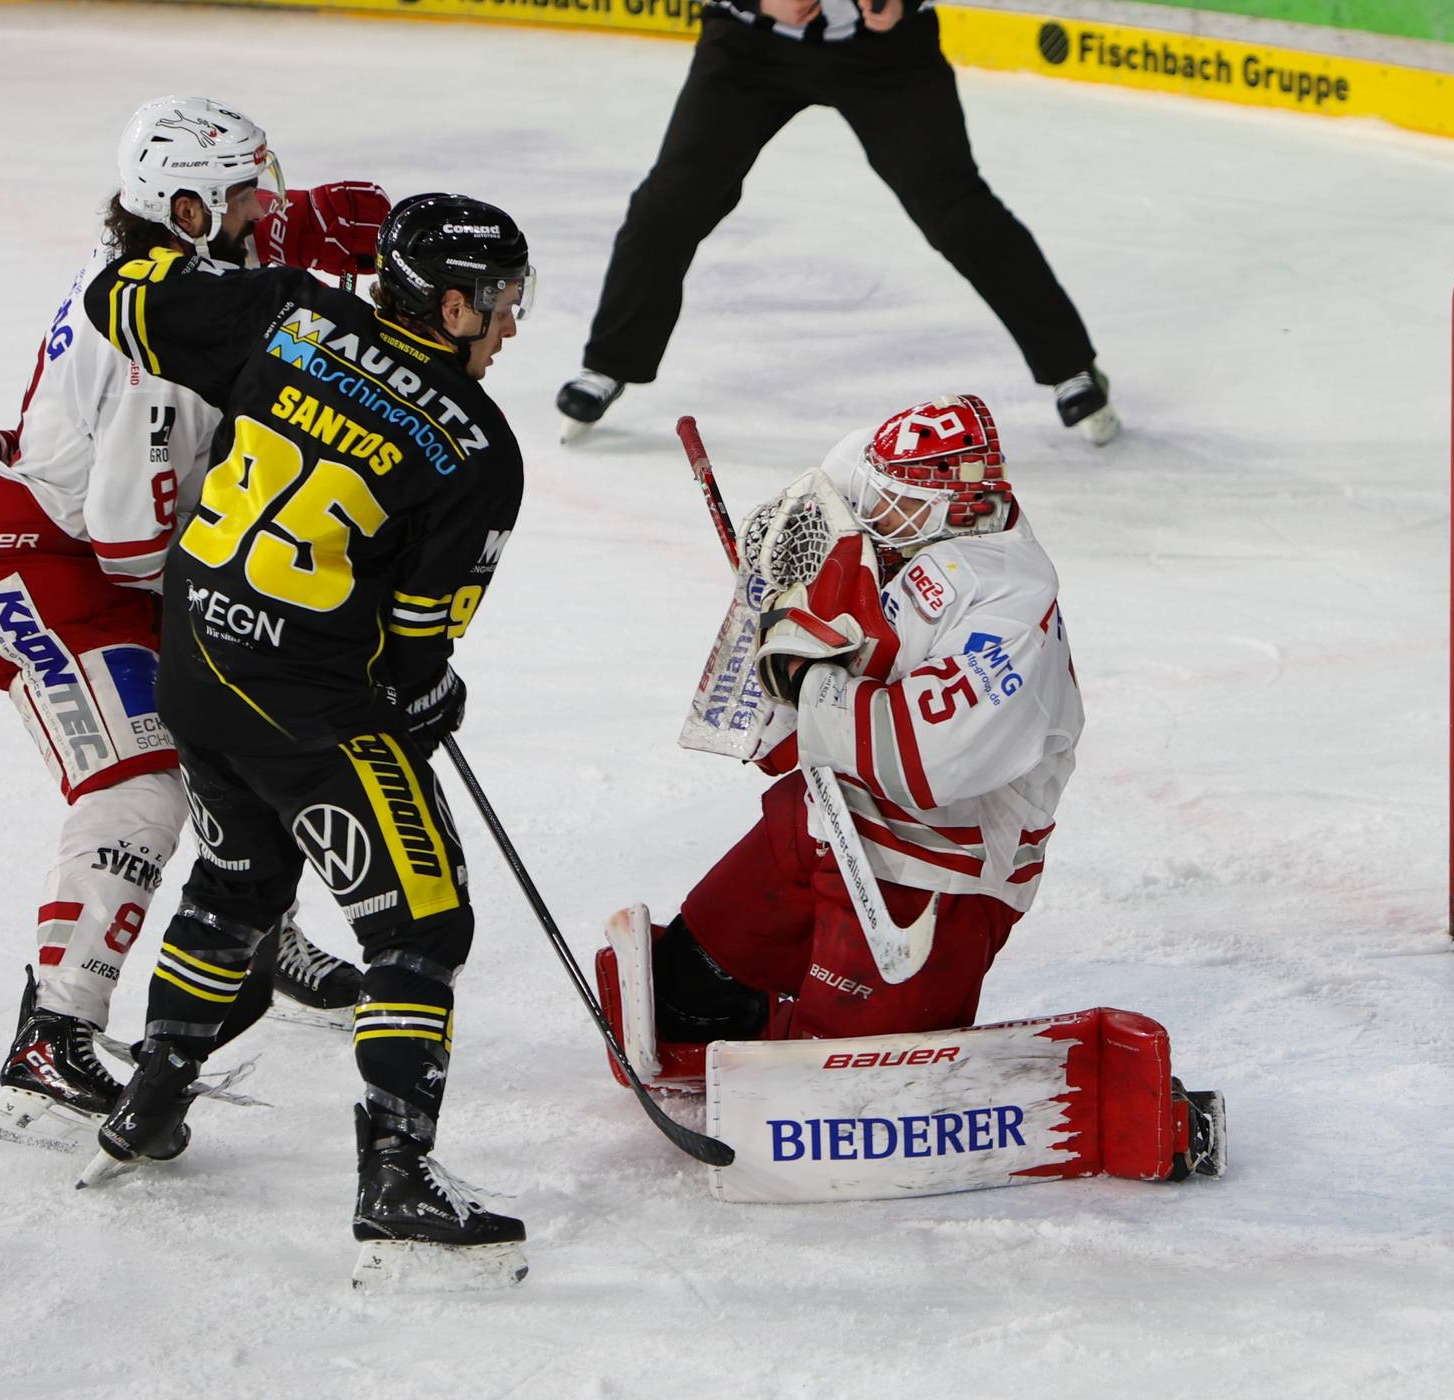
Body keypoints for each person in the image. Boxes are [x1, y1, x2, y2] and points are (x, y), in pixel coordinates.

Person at [76, 193, 536, 1285]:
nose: (513, 326)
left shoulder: (284, 312)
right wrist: (426, 705)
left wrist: (182, 244)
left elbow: (116, 294)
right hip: (302, 707)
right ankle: (396, 1178)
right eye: (504, 304)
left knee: (239, 877)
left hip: (194, 666)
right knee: (421, 917)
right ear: (455, 303)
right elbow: (414, 651)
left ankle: (149, 1102)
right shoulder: (477, 448)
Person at [0, 96, 389, 1155]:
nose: (262, 212)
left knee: (251, 721)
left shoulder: (160, 259)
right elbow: (136, 545)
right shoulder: (154, 375)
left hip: (105, 556)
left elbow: (234, 269)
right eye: (242, 199)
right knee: (140, 781)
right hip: (42, 564)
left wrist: (307, 220)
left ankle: (254, 932)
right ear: (182, 209)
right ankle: (51, 1039)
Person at [612, 394, 1084, 1064]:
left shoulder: (1012, 604)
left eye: (897, 502)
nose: (875, 512)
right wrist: (781, 634)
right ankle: (768, 1031)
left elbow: (929, 760)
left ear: (960, 508)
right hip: (821, 826)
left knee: (846, 1081)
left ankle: (833, 1052)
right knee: (683, 1001)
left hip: (935, 873)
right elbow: (829, 496)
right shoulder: (906, 509)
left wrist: (811, 685)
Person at [556, 1, 1119, 446]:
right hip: (748, 50)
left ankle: (1072, 368)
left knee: (957, 212)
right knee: (670, 203)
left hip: (887, 56)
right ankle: (608, 364)